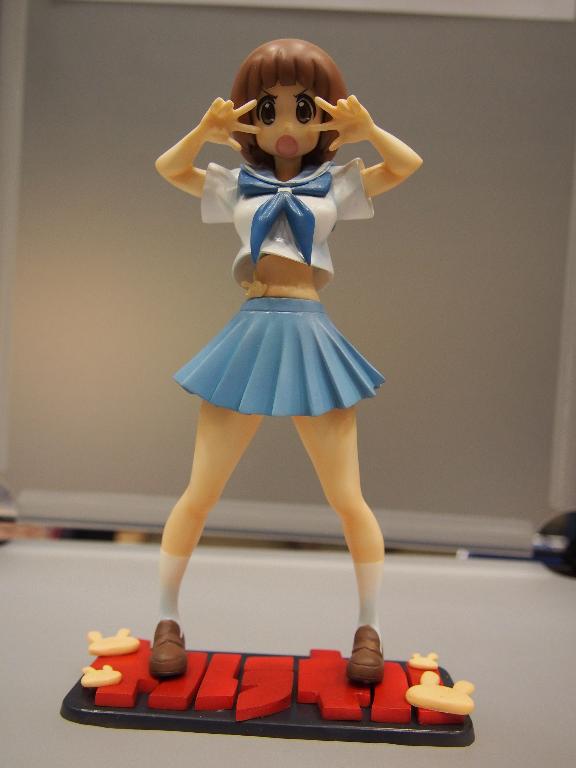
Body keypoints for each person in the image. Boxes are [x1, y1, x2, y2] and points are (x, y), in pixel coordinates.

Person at [150, 39, 422, 685]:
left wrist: (366, 129)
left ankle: (369, 627)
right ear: (249, 115)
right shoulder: (235, 184)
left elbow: (406, 164)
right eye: (267, 110)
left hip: (309, 333)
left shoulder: (335, 183)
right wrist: (205, 131)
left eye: (304, 108)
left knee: (347, 497)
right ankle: (165, 617)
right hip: (249, 333)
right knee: (200, 492)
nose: (287, 126)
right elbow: (169, 168)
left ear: (325, 114)